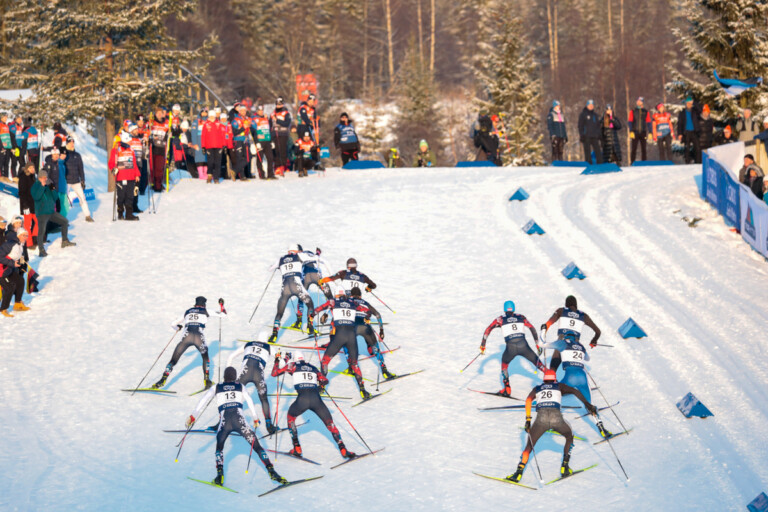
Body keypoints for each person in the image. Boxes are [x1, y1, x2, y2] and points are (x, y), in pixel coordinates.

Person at [185, 366, 286, 487]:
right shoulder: (240, 386)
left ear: (224, 377)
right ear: (234, 377)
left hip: (225, 423)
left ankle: (219, 476)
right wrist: (255, 417)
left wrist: (193, 416)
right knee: (257, 446)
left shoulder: (217, 387)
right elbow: (249, 400)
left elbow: (203, 400)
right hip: (240, 421)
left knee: (219, 449)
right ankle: (272, 471)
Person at [505, 369, 597, 483]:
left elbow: (528, 401)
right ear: (554, 378)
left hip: (540, 420)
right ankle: (565, 467)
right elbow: (575, 391)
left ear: (544, 379)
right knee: (569, 435)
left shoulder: (537, 388)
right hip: (556, 418)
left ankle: (518, 473)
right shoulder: (559, 386)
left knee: (529, 447)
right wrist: (588, 405)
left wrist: (528, 420)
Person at [271, 351, 356, 459]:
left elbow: (274, 373)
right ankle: (343, 449)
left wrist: (280, 360)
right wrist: (320, 386)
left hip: (302, 400)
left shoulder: (292, 366)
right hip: (317, 400)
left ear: (295, 359)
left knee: (290, 418)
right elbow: (325, 380)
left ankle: (297, 448)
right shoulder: (312, 367)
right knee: (330, 424)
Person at [543, 332, 610, 437]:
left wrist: (542, 334)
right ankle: (602, 428)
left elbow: (544, 344)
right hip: (583, 377)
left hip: (570, 376)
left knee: (554, 392)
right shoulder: (581, 346)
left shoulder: (563, 343)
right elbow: (588, 359)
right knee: (590, 404)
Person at [315, 288, 371, 399]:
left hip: (339, 336)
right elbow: (367, 311)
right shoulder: (353, 303)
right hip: (351, 337)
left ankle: (321, 387)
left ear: (336, 296)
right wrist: (367, 318)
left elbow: (318, 309)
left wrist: (312, 316)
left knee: (325, 361)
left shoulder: (333, 302)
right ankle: (363, 391)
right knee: (355, 364)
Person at [152, 296, 218, 390]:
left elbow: (173, 324)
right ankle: (207, 381)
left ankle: (162, 381)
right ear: (204, 304)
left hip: (186, 338)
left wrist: (177, 328)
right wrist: (221, 305)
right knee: (205, 358)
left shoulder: (187, 311)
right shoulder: (206, 311)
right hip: (199, 338)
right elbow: (223, 314)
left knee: (173, 360)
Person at [480, 300, 544, 396]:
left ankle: (507, 389)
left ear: (504, 309)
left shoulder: (500, 319)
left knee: (504, 365)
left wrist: (483, 345)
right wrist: (537, 344)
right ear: (513, 308)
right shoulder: (521, 317)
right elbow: (532, 328)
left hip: (511, 348)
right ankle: (553, 380)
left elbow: (488, 330)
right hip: (524, 346)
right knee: (538, 363)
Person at [228, 329, 279, 435]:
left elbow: (231, 356)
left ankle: (223, 422)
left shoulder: (248, 344)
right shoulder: (269, 347)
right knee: (264, 399)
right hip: (258, 374)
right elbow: (281, 360)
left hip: (244, 373)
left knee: (235, 395)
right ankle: (269, 425)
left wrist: (227, 371)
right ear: (266, 340)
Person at [267, 244, 317, 343]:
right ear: (296, 251)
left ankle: (274, 335)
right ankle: (310, 327)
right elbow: (315, 258)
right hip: (297, 287)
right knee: (310, 304)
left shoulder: (281, 258)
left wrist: (279, 267)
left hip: (285, 289)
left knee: (279, 313)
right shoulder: (299, 256)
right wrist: (318, 255)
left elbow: (270, 269)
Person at [541, 295, 601, 370]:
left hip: (562, 341)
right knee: (574, 371)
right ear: (576, 305)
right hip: (575, 344)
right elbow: (598, 332)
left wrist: (544, 330)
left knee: (552, 370)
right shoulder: (584, 315)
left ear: (566, 304)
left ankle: (552, 376)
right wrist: (594, 341)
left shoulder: (561, 310)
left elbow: (548, 323)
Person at [349, 286, 395, 379]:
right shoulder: (365, 303)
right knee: (376, 348)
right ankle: (384, 371)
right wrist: (381, 330)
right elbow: (378, 315)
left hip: (353, 327)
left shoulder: (348, 302)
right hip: (365, 327)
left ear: (351, 295)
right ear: (360, 296)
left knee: (348, 346)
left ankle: (351, 367)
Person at [31, 170, 75, 257]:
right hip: (42, 213)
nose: (45, 179)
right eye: (44, 177)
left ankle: (65, 241)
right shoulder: (35, 186)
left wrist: (52, 189)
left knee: (65, 222)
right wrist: (42, 186)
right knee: (42, 231)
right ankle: (41, 250)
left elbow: (55, 198)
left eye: (46, 177)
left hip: (51, 212)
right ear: (39, 178)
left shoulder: (48, 186)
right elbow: (36, 197)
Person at [108, 131, 141, 221]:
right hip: (121, 177)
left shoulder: (131, 150)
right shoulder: (116, 149)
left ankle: (129, 214)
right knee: (121, 196)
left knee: (130, 196)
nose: (130, 142)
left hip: (131, 177)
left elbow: (134, 163)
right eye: (129, 141)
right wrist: (113, 169)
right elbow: (111, 162)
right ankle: (120, 212)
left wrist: (137, 174)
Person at [59, 136, 93, 222]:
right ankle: (61, 218)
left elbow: (81, 168)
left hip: (76, 181)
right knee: (63, 200)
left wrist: (83, 180)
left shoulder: (77, 155)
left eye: (73, 142)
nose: (72, 144)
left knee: (83, 198)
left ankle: (87, 216)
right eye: (70, 142)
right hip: (66, 181)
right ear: (67, 143)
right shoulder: (63, 154)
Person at [0, 224, 31, 317]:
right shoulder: (10, 244)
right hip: (1, 270)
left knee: (20, 281)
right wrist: (12, 264)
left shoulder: (20, 245)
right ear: (18, 235)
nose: (25, 237)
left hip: (8, 269)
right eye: (23, 235)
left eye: (26, 235)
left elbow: (19, 256)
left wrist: (22, 265)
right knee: (9, 288)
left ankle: (18, 304)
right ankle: (3, 309)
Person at [293, 245, 328, 328]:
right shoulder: (312, 255)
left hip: (306, 277)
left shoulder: (300, 255)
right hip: (317, 276)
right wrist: (318, 252)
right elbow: (317, 256)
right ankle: (332, 318)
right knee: (329, 296)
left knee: (301, 298)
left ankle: (299, 321)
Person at [250, 105, 275, 179]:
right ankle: (262, 174)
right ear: (257, 111)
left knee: (270, 158)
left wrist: (271, 141)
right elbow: (253, 131)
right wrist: (256, 142)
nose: (261, 112)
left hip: (267, 140)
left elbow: (269, 129)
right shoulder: (254, 119)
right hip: (259, 141)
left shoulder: (265, 118)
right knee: (260, 158)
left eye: (262, 110)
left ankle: (270, 174)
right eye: (259, 110)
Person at [18, 162, 38, 249]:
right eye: (30, 168)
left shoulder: (33, 177)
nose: (32, 169)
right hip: (27, 205)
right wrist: (25, 205)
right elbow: (22, 192)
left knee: (39, 222)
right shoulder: (23, 178)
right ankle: (29, 243)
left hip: (34, 204)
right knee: (27, 225)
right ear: (27, 169)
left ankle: (34, 238)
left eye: (33, 168)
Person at [201, 110, 224, 184]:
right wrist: (203, 146)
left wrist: (223, 145)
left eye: (213, 116)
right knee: (210, 162)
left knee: (218, 162)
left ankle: (216, 177)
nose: (212, 117)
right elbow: (203, 136)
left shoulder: (219, 124)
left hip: (218, 146)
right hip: (209, 146)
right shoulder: (206, 124)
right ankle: (210, 176)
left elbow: (222, 135)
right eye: (210, 116)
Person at [149, 108, 169, 192]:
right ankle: (153, 184)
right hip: (153, 148)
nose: (160, 115)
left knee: (160, 168)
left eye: (161, 113)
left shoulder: (166, 123)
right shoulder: (152, 122)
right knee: (153, 168)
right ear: (155, 114)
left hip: (161, 148)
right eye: (158, 113)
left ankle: (158, 186)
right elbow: (146, 132)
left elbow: (170, 132)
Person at [271, 97, 292, 175]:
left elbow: (287, 123)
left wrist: (278, 120)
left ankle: (283, 166)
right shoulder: (273, 113)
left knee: (282, 150)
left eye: (280, 104)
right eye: (277, 104)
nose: (279, 106)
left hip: (283, 134)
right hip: (275, 134)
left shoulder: (286, 113)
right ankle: (277, 166)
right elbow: (270, 124)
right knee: (276, 151)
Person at [677, 97, 701, 164]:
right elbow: (680, 124)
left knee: (697, 148)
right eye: (688, 103)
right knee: (687, 149)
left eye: (690, 103)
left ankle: (698, 163)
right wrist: (679, 134)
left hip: (694, 132)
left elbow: (700, 109)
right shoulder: (682, 113)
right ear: (686, 104)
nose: (689, 104)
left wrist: (694, 103)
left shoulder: (695, 111)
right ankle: (687, 163)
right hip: (686, 132)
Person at [578, 100, 602, 164]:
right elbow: (580, 125)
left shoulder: (595, 115)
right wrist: (582, 135)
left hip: (594, 136)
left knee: (597, 150)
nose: (591, 106)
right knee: (587, 151)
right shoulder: (583, 114)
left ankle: (600, 163)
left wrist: (599, 134)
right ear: (587, 106)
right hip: (586, 135)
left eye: (592, 105)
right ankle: (588, 163)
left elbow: (598, 126)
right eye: (589, 105)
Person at [231, 103, 251, 180]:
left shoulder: (247, 119)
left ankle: (234, 170)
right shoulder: (235, 120)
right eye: (241, 111)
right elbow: (234, 132)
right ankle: (242, 176)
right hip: (238, 140)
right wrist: (243, 127)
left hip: (246, 140)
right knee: (239, 158)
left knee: (247, 159)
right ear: (239, 111)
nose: (243, 112)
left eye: (244, 111)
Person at [628, 97, 651, 163]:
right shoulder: (633, 111)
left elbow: (649, 122)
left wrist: (650, 132)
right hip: (635, 132)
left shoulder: (646, 111)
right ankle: (632, 162)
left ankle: (644, 162)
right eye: (637, 101)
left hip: (643, 132)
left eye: (640, 101)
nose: (638, 102)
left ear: (642, 102)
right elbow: (630, 121)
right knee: (633, 149)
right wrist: (631, 131)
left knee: (644, 149)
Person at [0, 112, 20, 181]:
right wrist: (1, 147)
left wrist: (11, 147)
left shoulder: (6, 126)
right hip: (2, 147)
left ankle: (6, 176)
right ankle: (1, 176)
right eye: (4, 117)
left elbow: (9, 137)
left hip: (8, 146)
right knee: (1, 162)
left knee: (7, 162)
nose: (6, 118)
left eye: (6, 117)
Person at [190, 108, 208, 180]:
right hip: (199, 141)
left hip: (206, 142)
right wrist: (194, 143)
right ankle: (200, 174)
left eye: (205, 112)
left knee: (206, 157)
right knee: (199, 157)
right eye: (202, 112)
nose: (204, 113)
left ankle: (205, 173)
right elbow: (193, 133)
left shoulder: (208, 121)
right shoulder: (196, 121)